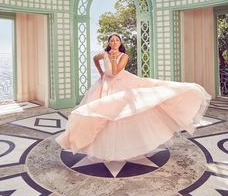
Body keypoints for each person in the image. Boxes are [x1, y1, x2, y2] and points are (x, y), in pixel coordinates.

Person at [56, 33, 211, 162]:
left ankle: (126, 149)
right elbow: (96, 60)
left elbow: (116, 72)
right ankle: (101, 148)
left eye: (117, 40)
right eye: (111, 40)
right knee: (99, 114)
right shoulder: (103, 54)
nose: (114, 42)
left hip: (121, 82)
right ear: (108, 43)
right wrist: (101, 72)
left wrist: (113, 58)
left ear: (120, 43)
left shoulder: (124, 56)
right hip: (103, 85)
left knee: (121, 114)